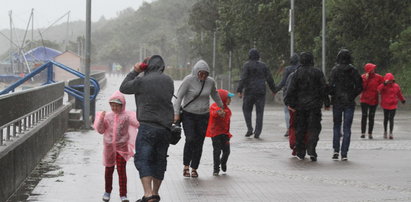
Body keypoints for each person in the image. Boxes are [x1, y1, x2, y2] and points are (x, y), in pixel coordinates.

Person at [120, 55, 174, 202]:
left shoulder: (141, 80)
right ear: (162, 66)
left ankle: (148, 194)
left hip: (148, 126)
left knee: (143, 159)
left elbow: (123, 87)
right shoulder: (169, 81)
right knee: (159, 160)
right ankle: (155, 194)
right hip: (165, 129)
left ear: (147, 66)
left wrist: (135, 71)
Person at [173, 59, 224, 178]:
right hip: (188, 115)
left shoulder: (210, 82)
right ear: (196, 72)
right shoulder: (188, 80)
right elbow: (179, 97)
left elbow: (214, 94)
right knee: (190, 139)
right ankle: (186, 166)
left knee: (199, 142)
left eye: (206, 74)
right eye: (201, 73)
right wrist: (176, 114)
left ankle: (194, 168)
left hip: (203, 116)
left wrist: (221, 106)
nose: (203, 76)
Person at [94, 90, 139, 202]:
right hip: (109, 148)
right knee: (108, 170)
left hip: (122, 148)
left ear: (122, 105)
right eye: (112, 105)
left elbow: (138, 123)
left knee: (121, 171)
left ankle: (123, 194)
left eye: (117, 106)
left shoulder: (127, 116)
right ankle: (107, 192)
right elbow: (101, 130)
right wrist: (100, 118)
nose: (115, 108)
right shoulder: (108, 116)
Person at [284, 52, 330, 161]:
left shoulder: (297, 73)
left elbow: (291, 90)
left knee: (300, 129)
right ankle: (312, 148)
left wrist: (290, 103)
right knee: (314, 128)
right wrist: (327, 102)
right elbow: (324, 88)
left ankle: (301, 151)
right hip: (314, 106)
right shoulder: (318, 73)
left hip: (300, 107)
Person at [328, 49, 363, 161]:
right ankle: (344, 153)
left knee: (336, 126)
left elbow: (330, 85)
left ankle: (336, 150)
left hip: (337, 101)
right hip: (349, 102)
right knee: (347, 128)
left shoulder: (335, 70)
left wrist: (333, 94)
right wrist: (352, 95)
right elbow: (360, 86)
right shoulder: (353, 70)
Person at [237, 48, 276, 138]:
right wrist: (273, 89)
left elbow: (243, 78)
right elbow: (269, 78)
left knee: (246, 109)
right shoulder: (264, 66)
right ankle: (257, 132)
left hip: (249, 91)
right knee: (259, 112)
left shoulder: (246, 65)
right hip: (260, 91)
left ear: (249, 56)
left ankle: (250, 128)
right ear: (258, 56)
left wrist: (239, 90)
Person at [205, 89, 234, 176]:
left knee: (227, 151)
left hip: (225, 134)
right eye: (229, 98)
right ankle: (216, 169)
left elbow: (227, 121)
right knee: (217, 151)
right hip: (216, 133)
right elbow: (214, 112)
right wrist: (219, 112)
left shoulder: (227, 109)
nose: (230, 100)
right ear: (223, 99)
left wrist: (228, 134)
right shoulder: (215, 106)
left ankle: (223, 162)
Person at [275, 53, 300, 137]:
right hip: (299, 94)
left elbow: (283, 82)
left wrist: (276, 89)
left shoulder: (288, 69)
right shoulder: (300, 68)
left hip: (289, 93)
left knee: (287, 111)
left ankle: (289, 129)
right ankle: (298, 128)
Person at [377, 73, 406, 139]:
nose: (390, 81)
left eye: (391, 80)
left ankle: (391, 132)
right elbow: (378, 90)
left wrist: (402, 100)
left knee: (391, 118)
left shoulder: (396, 86)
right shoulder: (383, 86)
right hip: (385, 104)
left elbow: (399, 94)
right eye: (388, 80)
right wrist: (383, 84)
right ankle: (385, 131)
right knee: (386, 118)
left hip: (393, 104)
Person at [360, 63, 384, 139]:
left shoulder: (378, 77)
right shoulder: (363, 77)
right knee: (364, 115)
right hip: (364, 99)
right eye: (371, 69)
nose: (373, 70)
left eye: (373, 69)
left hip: (374, 99)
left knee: (371, 116)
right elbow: (362, 87)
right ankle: (363, 132)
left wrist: (379, 89)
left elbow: (384, 84)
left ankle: (370, 133)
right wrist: (366, 80)